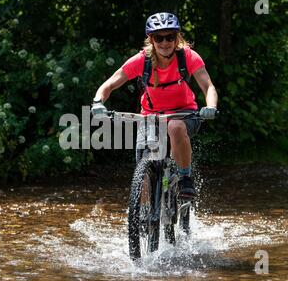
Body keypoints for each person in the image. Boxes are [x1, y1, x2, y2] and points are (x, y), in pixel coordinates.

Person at [91, 12, 218, 200]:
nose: (165, 43)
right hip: (151, 116)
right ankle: (143, 217)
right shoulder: (142, 60)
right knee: (142, 175)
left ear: (177, 38)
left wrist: (211, 106)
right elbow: (109, 84)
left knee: (175, 127)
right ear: (151, 40)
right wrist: (97, 102)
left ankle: (184, 179)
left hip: (184, 115)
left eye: (170, 37)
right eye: (159, 38)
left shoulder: (189, 57)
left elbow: (208, 86)